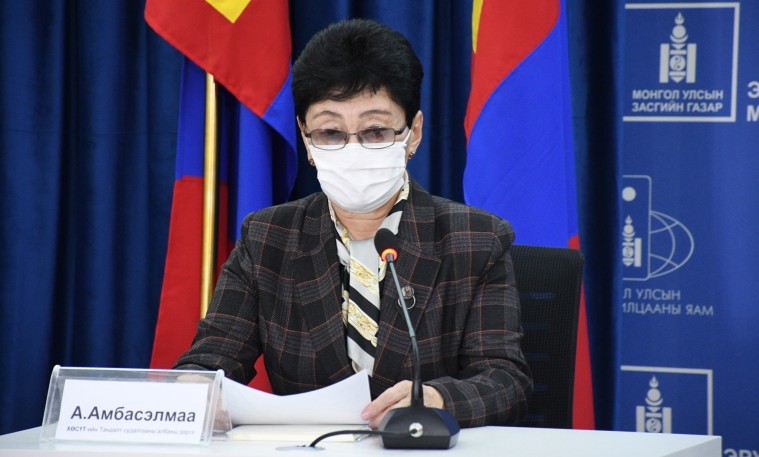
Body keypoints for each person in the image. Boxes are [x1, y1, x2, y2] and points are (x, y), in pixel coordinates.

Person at [174, 18, 532, 429]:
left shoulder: (476, 240)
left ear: (413, 133)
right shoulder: (268, 239)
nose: (353, 149)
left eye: (375, 131)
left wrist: (437, 399)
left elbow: (506, 381)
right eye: (330, 132)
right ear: (306, 139)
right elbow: (210, 360)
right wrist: (197, 390)